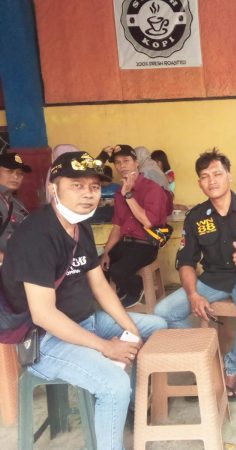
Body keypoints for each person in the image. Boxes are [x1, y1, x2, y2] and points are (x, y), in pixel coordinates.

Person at [2, 151, 167, 450]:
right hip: (45, 340)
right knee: (113, 384)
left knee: (155, 327)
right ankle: (117, 401)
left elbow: (100, 285)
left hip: (85, 322)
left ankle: (128, 405)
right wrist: (106, 347)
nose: (88, 194)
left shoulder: (81, 227)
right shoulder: (36, 235)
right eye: (76, 185)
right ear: (53, 188)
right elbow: (43, 315)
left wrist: (129, 328)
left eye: (94, 187)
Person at [154, 149, 236, 401]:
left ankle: (229, 368)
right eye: (205, 176)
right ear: (199, 183)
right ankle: (208, 359)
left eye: (217, 174)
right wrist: (193, 294)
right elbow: (186, 262)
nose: (211, 181)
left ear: (229, 176)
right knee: (163, 312)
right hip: (213, 278)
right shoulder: (195, 217)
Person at [100, 145, 170, 308]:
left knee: (118, 270)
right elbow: (117, 227)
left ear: (136, 163)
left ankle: (136, 288)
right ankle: (121, 290)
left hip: (146, 244)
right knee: (97, 267)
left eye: (126, 161)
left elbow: (148, 222)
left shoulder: (152, 189)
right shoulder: (119, 193)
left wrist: (128, 195)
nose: (122, 166)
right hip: (125, 243)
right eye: (118, 162)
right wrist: (107, 252)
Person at [0, 152, 31, 264]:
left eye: (20, 173)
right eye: (9, 171)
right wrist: (10, 262)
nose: (16, 177)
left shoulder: (17, 202)